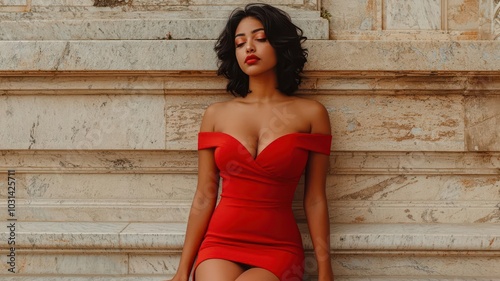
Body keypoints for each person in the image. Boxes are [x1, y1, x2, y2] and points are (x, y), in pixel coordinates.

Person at [167, 3, 333, 281]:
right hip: (220, 243)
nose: (249, 48)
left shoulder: (312, 114)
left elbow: (315, 199)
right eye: (240, 42)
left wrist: (325, 270)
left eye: (261, 38)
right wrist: (182, 271)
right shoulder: (216, 114)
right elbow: (205, 196)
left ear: (280, 45)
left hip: (278, 249)